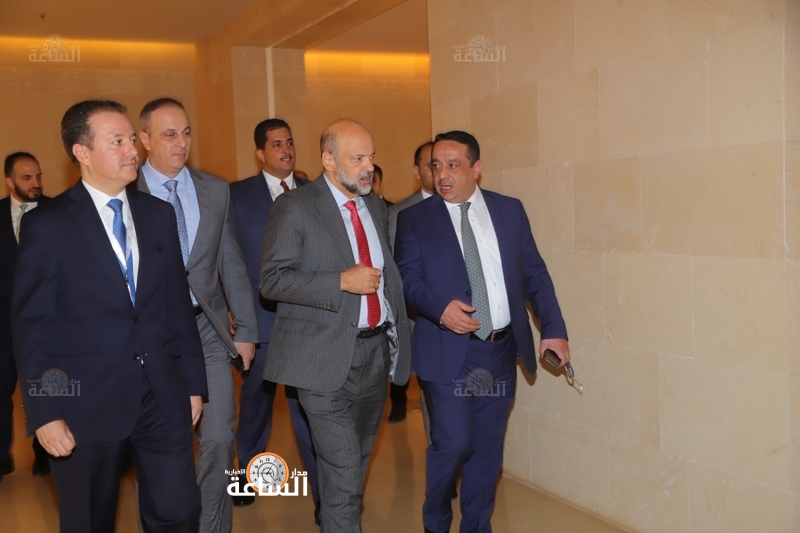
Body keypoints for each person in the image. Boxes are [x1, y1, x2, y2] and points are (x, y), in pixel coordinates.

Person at [12, 100, 208, 532]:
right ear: (82, 152)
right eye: (117, 141)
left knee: (179, 510)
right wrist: (45, 412)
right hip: (85, 404)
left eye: (131, 140)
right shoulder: (48, 224)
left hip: (160, 395)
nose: (132, 150)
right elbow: (32, 328)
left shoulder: (157, 215)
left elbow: (177, 306)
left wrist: (193, 384)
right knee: (89, 521)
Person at [394, 130, 570, 533]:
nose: (442, 174)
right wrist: (440, 309)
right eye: (436, 165)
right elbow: (406, 280)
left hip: (500, 351)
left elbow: (534, 274)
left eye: (453, 165)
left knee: (487, 450)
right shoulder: (415, 219)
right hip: (449, 352)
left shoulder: (509, 211)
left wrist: (553, 329)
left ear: (476, 168)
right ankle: (436, 520)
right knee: (454, 443)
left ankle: (476, 526)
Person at [259, 119, 410, 532]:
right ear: (329, 161)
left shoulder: (374, 206)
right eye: (357, 158)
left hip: (374, 355)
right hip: (321, 359)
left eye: (371, 157)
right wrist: (340, 281)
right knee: (343, 471)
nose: (368, 167)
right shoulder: (295, 206)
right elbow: (272, 281)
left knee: (352, 467)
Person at [136, 98, 257, 533]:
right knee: (161, 447)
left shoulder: (214, 189)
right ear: (144, 139)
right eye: (169, 134)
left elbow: (231, 262)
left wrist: (246, 329)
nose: (181, 142)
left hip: (206, 329)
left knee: (220, 441)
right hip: (152, 337)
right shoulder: (127, 193)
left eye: (186, 132)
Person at [228, 118, 319, 521]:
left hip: (307, 321)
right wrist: (232, 311)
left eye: (290, 141)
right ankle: (244, 476)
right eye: (277, 144)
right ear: (260, 152)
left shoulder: (314, 193)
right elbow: (226, 259)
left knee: (309, 409)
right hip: (259, 320)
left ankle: (323, 493)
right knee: (255, 405)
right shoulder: (235, 195)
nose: (286, 149)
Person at [0, 152, 50, 480]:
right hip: (2, 322)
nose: (35, 183)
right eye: (27, 178)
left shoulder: (58, 212)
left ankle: (45, 455)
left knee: (47, 387)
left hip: (46, 322)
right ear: (9, 181)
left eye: (38, 176)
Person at [385, 141, 434, 424]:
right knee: (433, 398)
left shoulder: (464, 207)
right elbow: (396, 275)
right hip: (421, 321)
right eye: (431, 164)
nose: (439, 171)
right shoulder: (400, 214)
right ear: (417, 171)